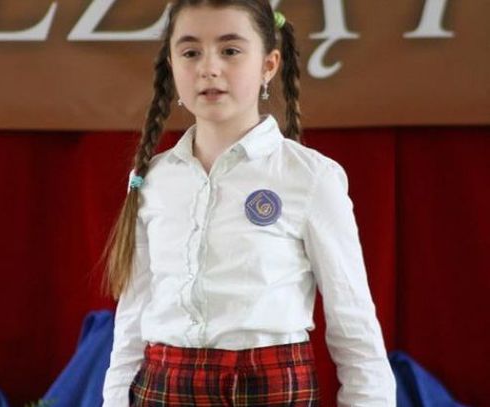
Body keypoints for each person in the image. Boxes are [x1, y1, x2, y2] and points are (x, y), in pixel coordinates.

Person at [101, 1, 396, 406]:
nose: (209, 68)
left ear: (268, 66)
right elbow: (132, 318)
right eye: (190, 52)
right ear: (171, 65)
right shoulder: (153, 178)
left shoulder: (311, 177)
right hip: (163, 387)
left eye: (230, 50)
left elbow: (354, 324)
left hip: (268, 388)